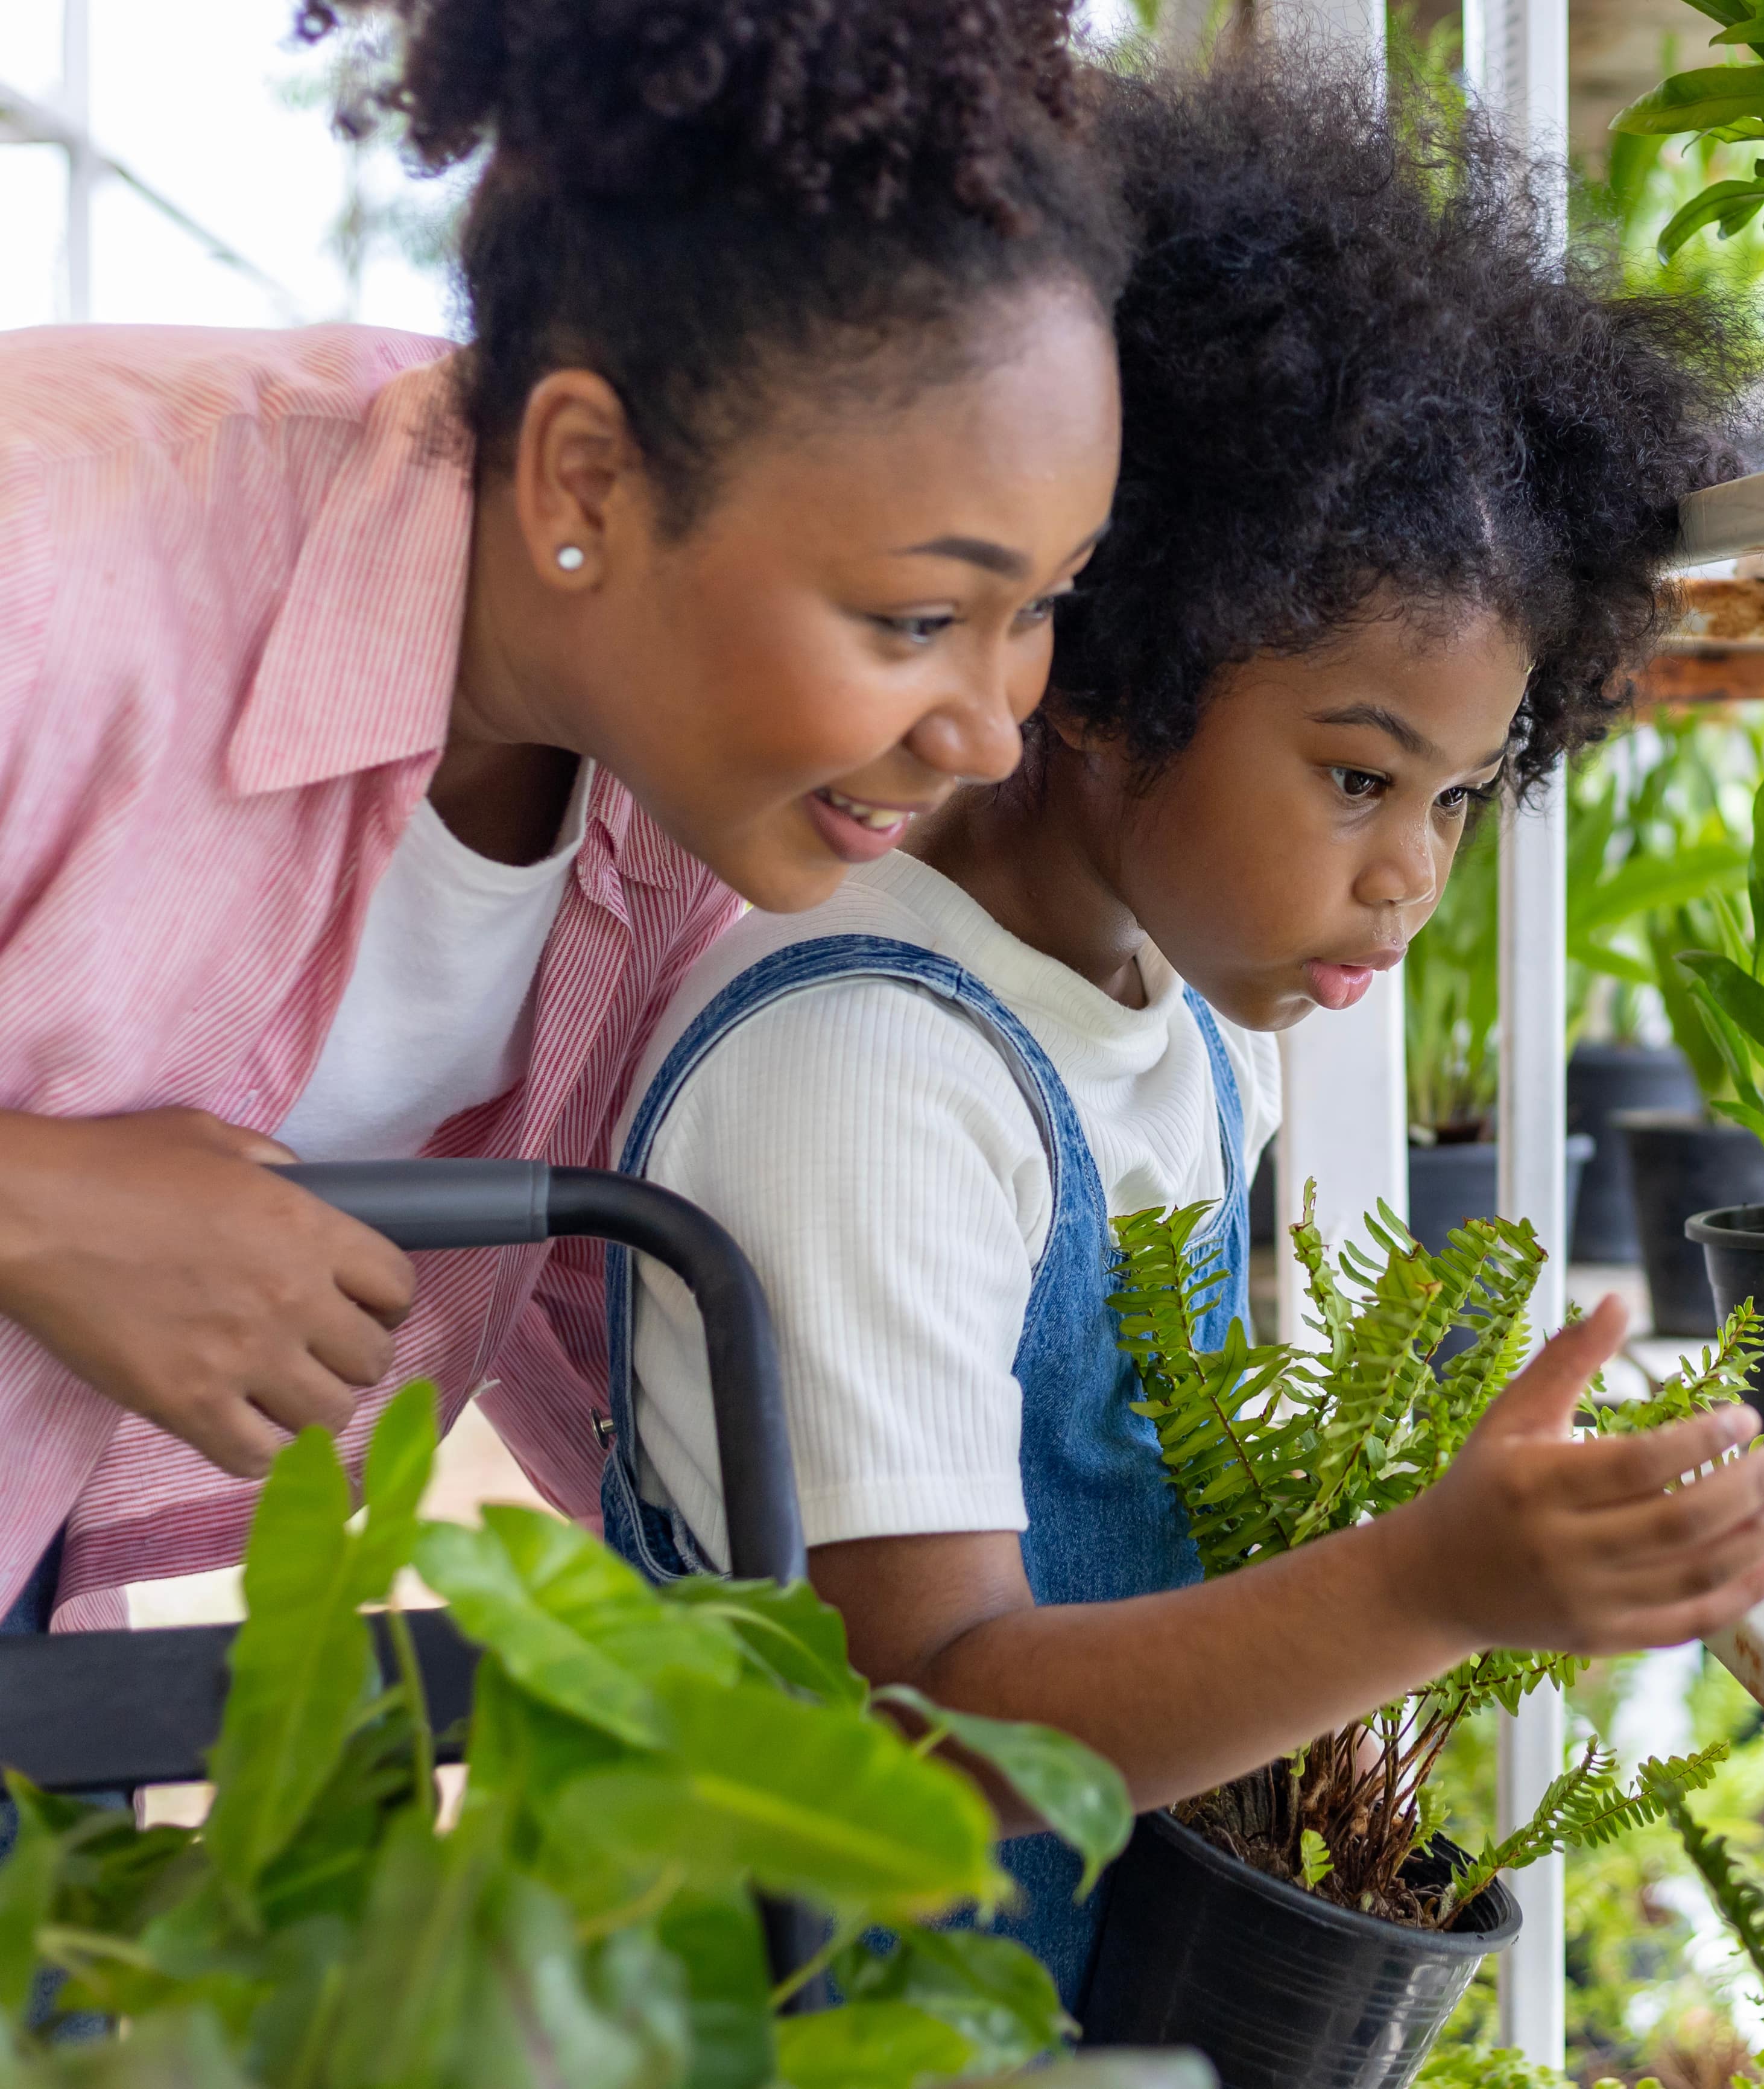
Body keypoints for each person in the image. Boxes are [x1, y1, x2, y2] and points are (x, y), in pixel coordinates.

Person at [605, 60, 1764, 1989]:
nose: (1413, 875)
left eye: (1456, 798)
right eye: (1354, 778)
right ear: (1105, 678)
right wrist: (1429, 1585)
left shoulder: (1156, 1018)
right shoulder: (866, 1068)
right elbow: (930, 1717)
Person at [0, 0, 1127, 1635]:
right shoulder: (63, 553)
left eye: (1040, 607)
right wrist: (40, 1208)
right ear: (584, 481)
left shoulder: (679, 800)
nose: (988, 725)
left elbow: (640, 1362)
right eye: (911, 619)